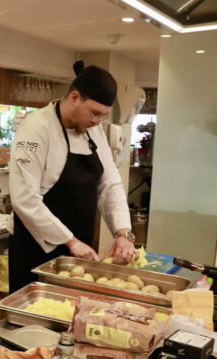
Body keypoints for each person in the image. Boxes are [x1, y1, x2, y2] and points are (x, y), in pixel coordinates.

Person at [8, 61, 137, 294]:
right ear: (75, 97)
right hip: (36, 250)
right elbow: (25, 199)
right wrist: (71, 241)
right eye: (95, 113)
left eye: (104, 116)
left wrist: (123, 234)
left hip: (78, 250)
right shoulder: (36, 129)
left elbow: (110, 184)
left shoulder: (94, 130)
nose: (98, 122)